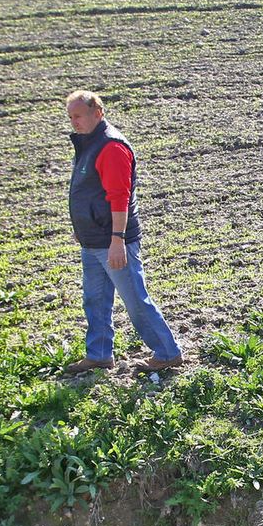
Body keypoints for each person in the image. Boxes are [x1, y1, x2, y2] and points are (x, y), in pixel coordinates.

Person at [62, 90, 184, 373]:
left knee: (135, 300)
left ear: (98, 113)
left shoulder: (111, 147)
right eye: (70, 117)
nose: (74, 122)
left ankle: (167, 352)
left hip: (113, 240)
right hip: (94, 240)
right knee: (95, 300)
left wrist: (117, 240)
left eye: (78, 116)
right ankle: (100, 354)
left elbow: (119, 197)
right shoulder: (89, 144)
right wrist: (82, 228)